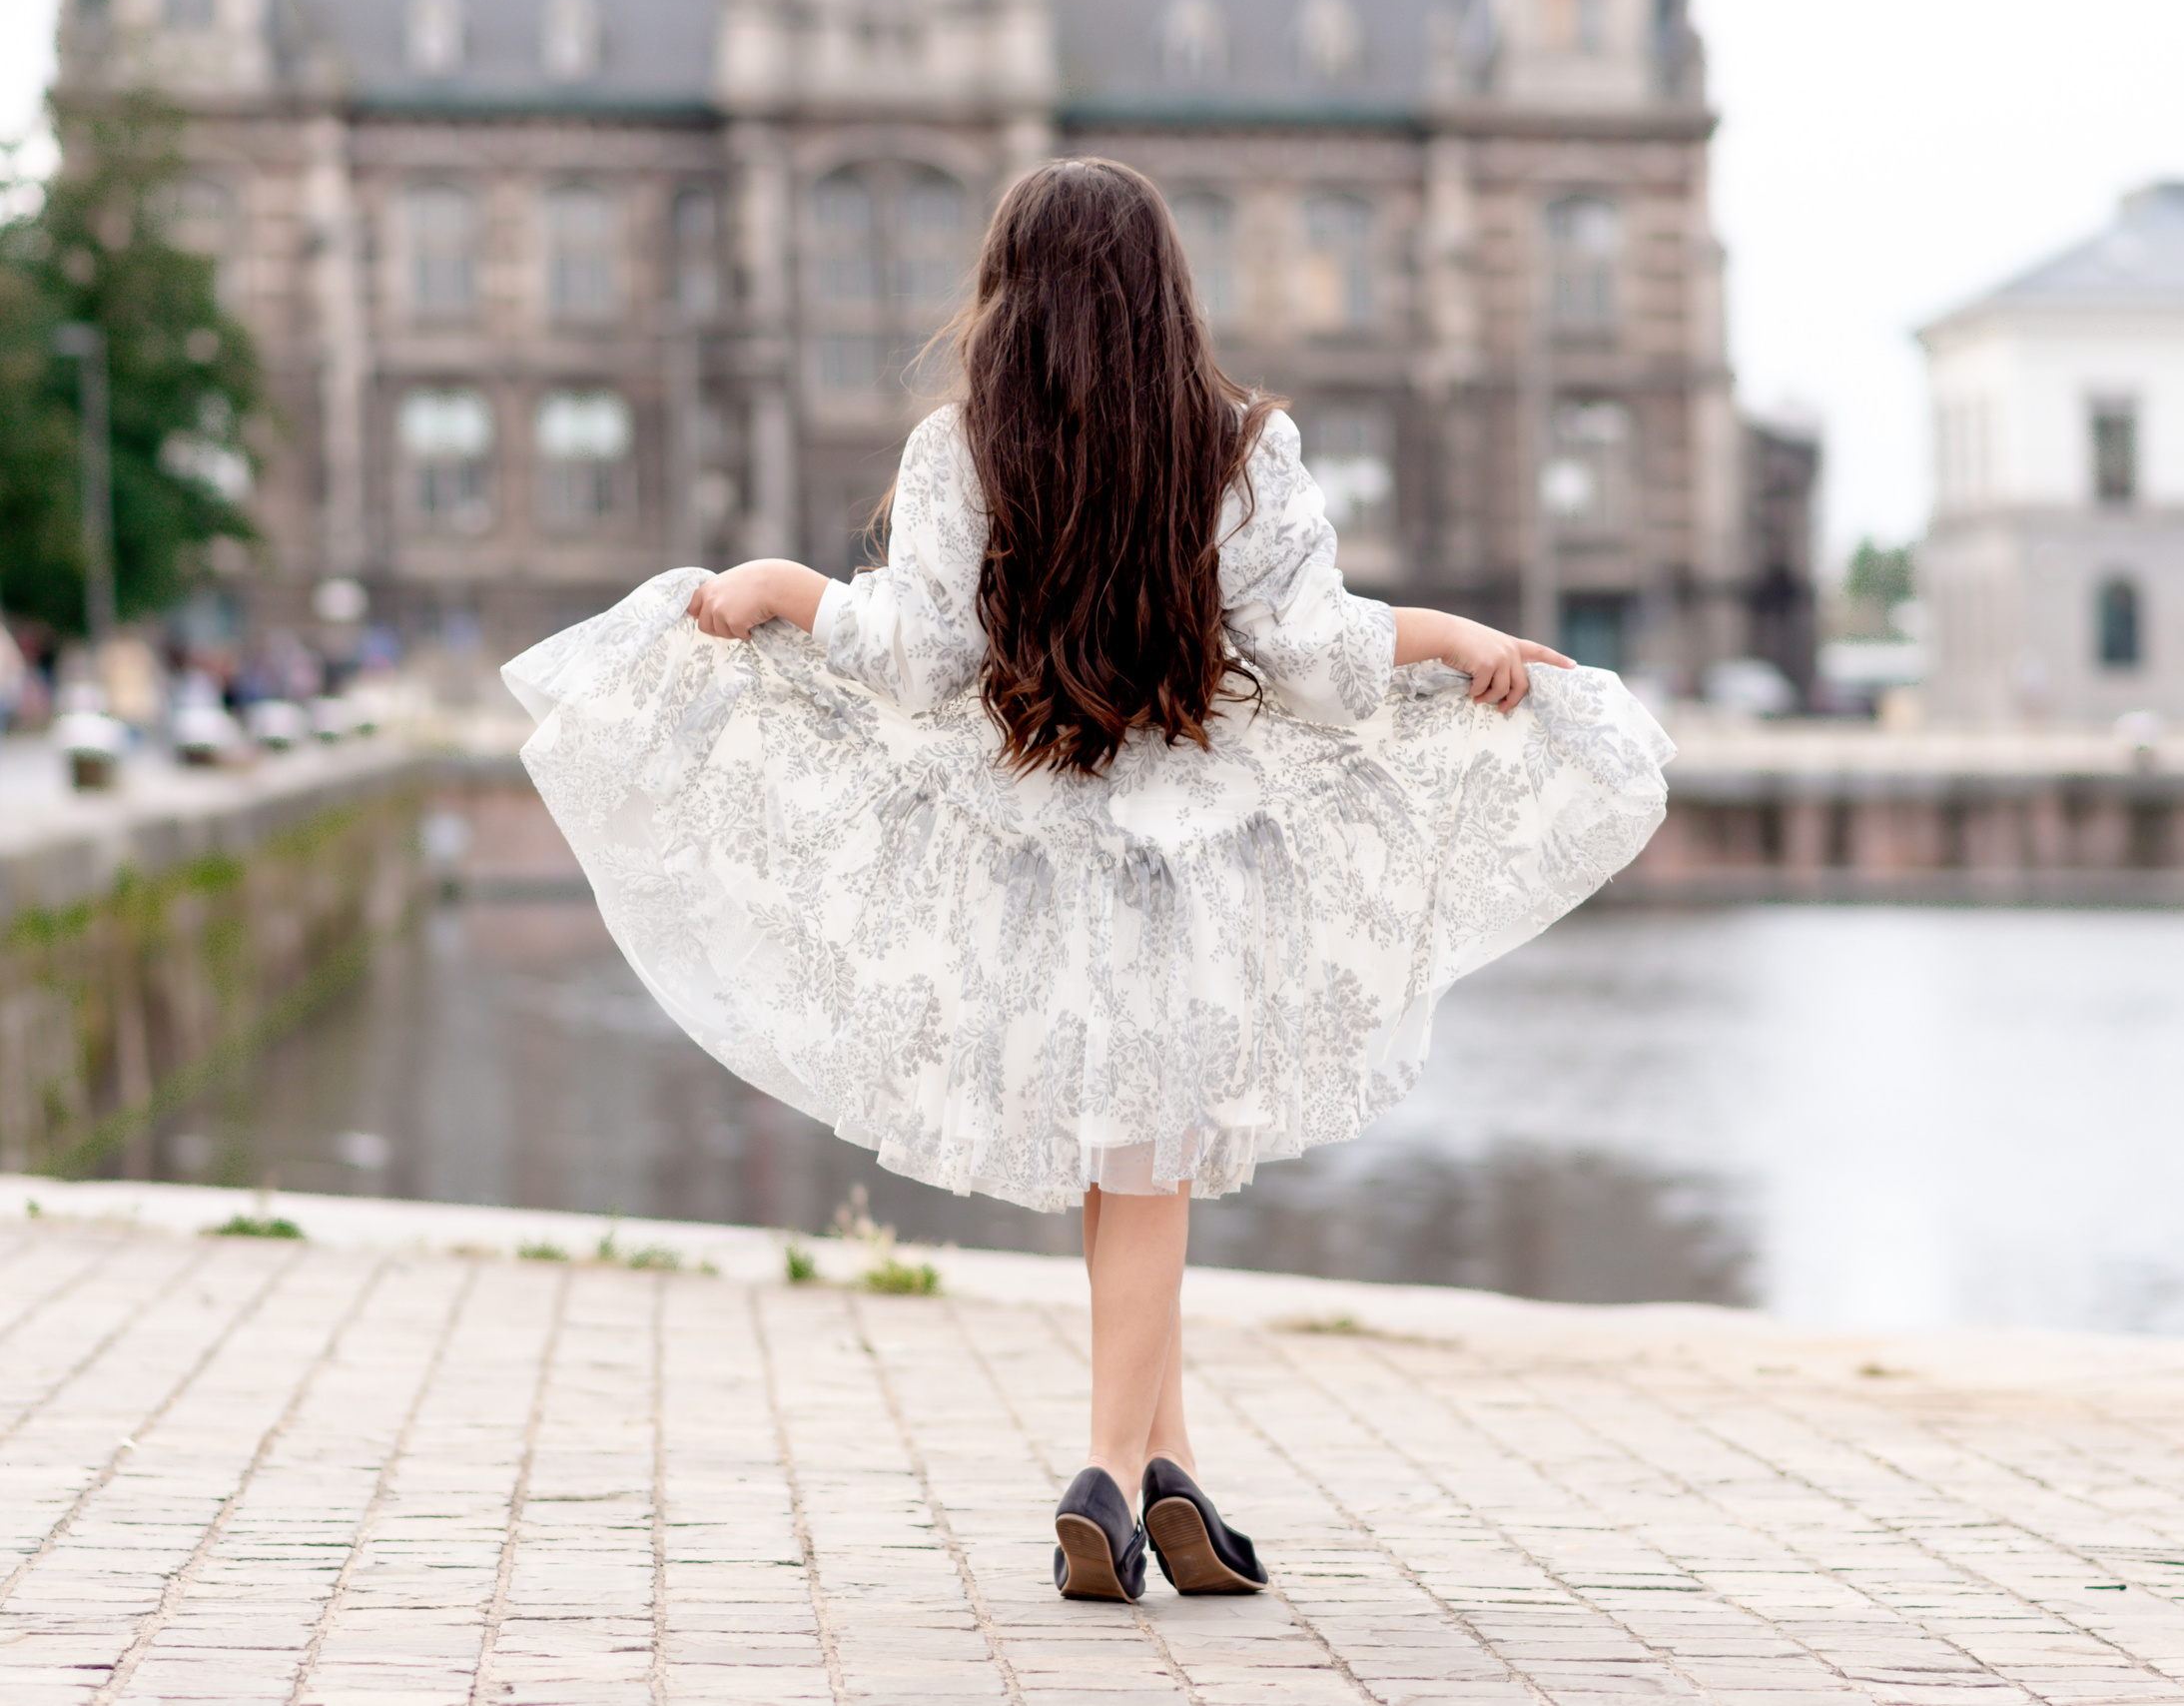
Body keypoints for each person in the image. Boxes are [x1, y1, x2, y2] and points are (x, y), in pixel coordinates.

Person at [504, 157, 1672, 1603]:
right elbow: (1315, 659)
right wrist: (1459, 637)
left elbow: (919, 658)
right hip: (1196, 863)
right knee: (1152, 1164)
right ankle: (1112, 1479)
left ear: (1012, 296)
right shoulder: (1241, 446)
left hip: (1040, 857)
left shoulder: (965, 450)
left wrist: (783, 586)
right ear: (1166, 293)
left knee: (1129, 1166)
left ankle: (1171, 1470)